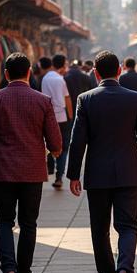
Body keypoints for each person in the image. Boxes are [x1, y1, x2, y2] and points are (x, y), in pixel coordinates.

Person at [67, 50, 137, 273]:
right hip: (129, 171)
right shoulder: (134, 98)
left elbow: (77, 140)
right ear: (119, 71)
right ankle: (124, 270)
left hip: (97, 174)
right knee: (127, 226)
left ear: (95, 73)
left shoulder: (86, 99)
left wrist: (73, 174)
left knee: (100, 228)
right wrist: (130, 139)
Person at [0, 52, 62, 273]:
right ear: (29, 73)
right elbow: (55, 140)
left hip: (2, 171)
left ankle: (8, 270)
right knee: (28, 223)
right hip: (32, 171)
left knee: (3, 221)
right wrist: (55, 150)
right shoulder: (42, 101)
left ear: (5, 74)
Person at [41, 54, 74, 189]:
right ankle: (59, 176)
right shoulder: (60, 79)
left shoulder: (45, 78)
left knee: (49, 143)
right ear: (62, 65)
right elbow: (67, 99)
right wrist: (71, 117)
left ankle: (50, 168)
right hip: (62, 118)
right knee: (63, 147)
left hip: (48, 117)